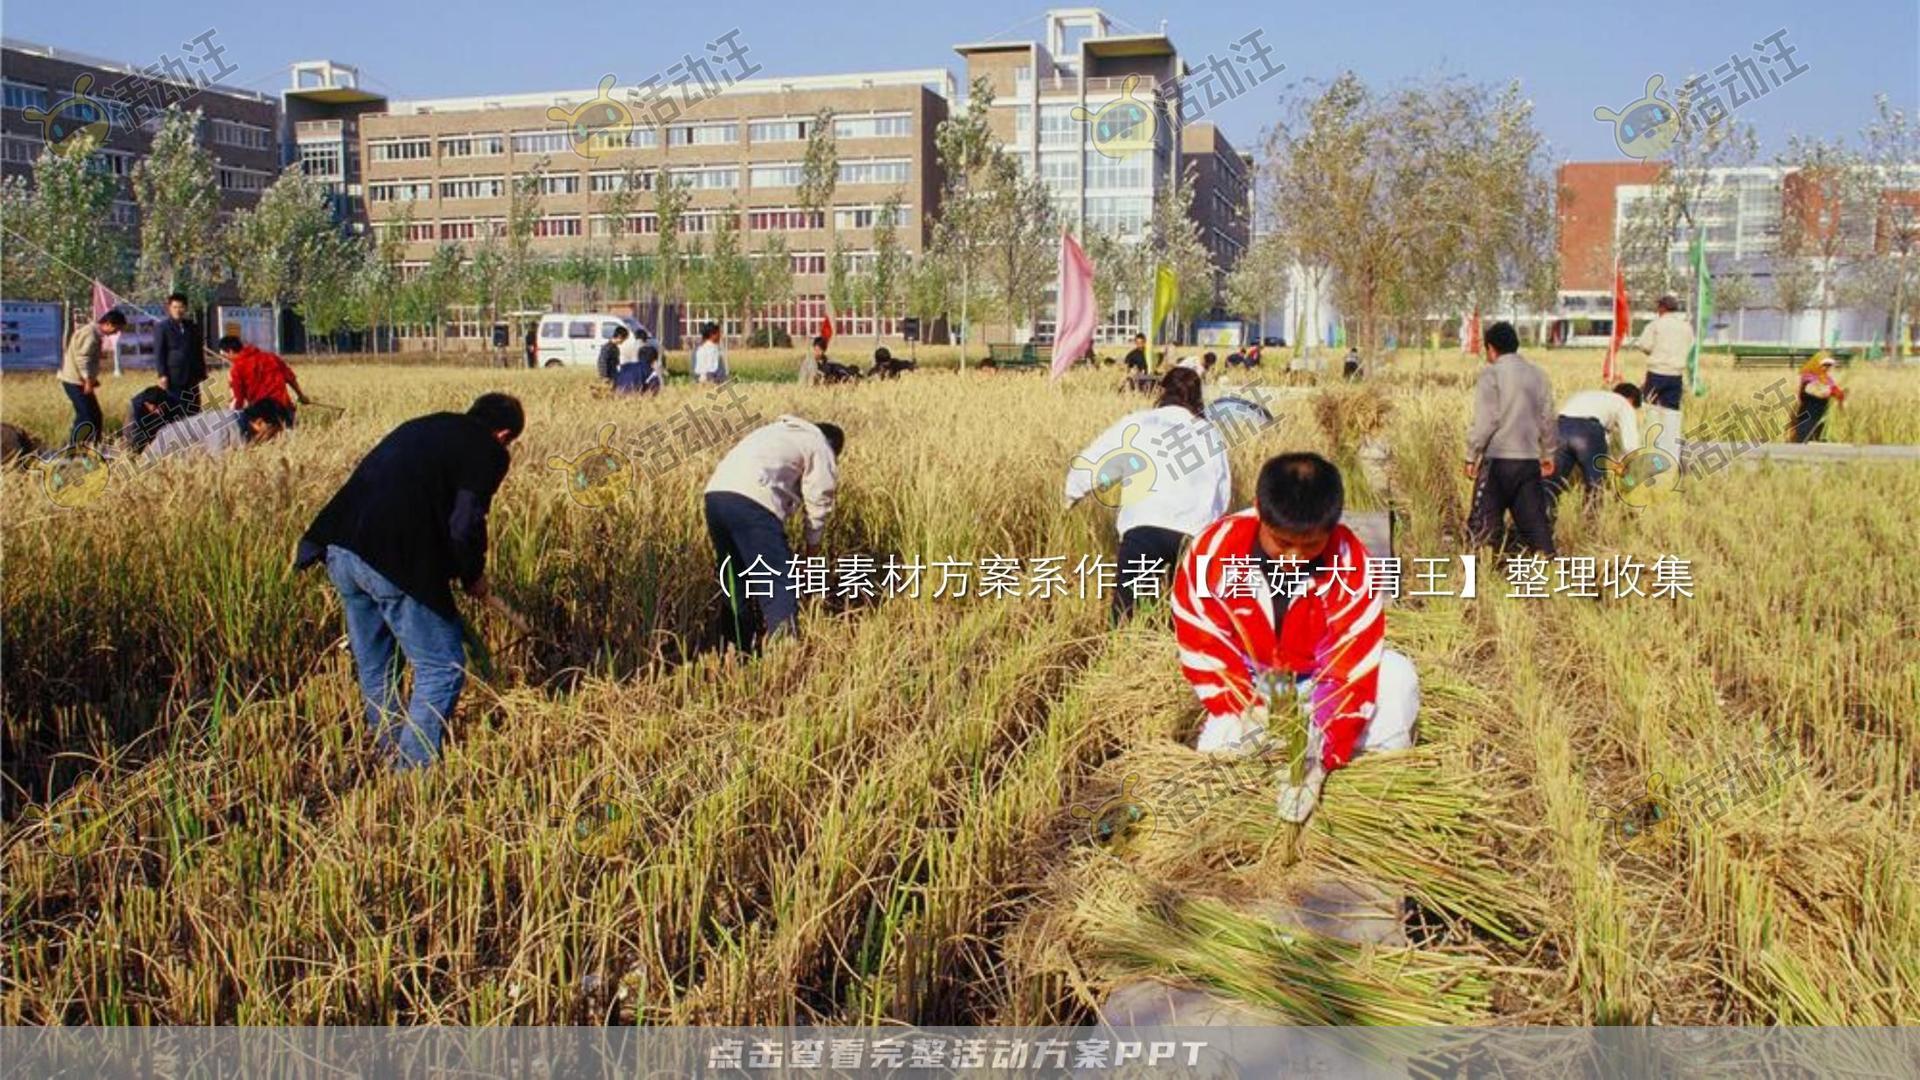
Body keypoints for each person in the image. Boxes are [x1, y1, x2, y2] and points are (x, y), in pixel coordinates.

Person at [1172, 452, 1420, 824]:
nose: (1293, 558)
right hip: (1256, 685)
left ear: (1332, 527)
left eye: (1309, 547)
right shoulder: (1214, 552)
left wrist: (1321, 755)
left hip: (1318, 683)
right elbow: (1203, 640)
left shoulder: (1351, 562)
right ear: (1259, 510)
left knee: (1397, 677)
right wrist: (1246, 708)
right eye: (1282, 542)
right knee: (1218, 755)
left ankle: (1374, 787)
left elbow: (1350, 662)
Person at [294, 393, 523, 769]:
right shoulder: (487, 449)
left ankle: (387, 750)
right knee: (443, 666)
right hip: (393, 558)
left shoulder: (423, 425)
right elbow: (466, 520)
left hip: (340, 549)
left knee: (377, 666)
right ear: (502, 434)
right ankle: (412, 771)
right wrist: (472, 574)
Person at [1066, 366, 1229, 620]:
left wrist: (1072, 493)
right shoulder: (1209, 434)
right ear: (1198, 397)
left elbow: (1098, 463)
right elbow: (1221, 490)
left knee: (1126, 614)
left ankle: (1121, 653)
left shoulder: (1138, 422)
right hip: (1193, 535)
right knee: (1188, 617)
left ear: (1161, 392)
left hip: (1143, 528)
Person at [703, 416, 842, 651]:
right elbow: (819, 501)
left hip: (715, 497)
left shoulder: (777, 432)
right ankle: (784, 652)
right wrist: (811, 556)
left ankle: (736, 649)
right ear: (834, 448)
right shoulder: (820, 444)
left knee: (735, 578)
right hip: (754, 501)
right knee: (778, 579)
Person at [1465, 321, 1557, 556]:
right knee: (1536, 526)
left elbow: (1487, 420)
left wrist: (1471, 455)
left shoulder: (1492, 374)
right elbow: (1548, 418)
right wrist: (1548, 453)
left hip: (1498, 461)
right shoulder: (1539, 375)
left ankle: (1475, 578)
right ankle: (1550, 572)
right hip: (1528, 461)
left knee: (1481, 527)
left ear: (1491, 348)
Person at [1631, 295, 1692, 482]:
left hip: (1657, 372)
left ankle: (1650, 451)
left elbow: (1644, 345)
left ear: (1662, 308)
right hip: (1676, 375)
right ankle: (1670, 458)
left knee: (1651, 412)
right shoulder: (1686, 327)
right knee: (1672, 415)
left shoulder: (1656, 325)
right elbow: (1691, 347)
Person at [1551, 382, 1642, 507]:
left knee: (1552, 483)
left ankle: (1540, 521)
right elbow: (1631, 447)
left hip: (1558, 427)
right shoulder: (1624, 404)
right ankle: (1592, 524)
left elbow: (1603, 444)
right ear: (1631, 400)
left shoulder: (1594, 397)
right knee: (1595, 486)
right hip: (1588, 430)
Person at [60, 310, 125, 446]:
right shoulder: (90, 334)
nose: (116, 333)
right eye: (116, 329)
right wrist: (88, 380)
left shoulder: (93, 332)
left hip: (80, 381)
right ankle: (72, 449)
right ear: (107, 324)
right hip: (75, 381)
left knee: (94, 415)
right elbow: (83, 359)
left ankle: (92, 447)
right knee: (86, 417)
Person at [145, 400, 287, 458]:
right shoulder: (226, 426)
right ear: (260, 422)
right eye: (273, 433)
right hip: (159, 458)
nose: (273, 439)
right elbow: (217, 465)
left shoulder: (239, 422)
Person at [222, 336, 309, 424]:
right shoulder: (271, 357)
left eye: (224, 355)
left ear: (230, 351)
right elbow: (291, 378)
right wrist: (301, 396)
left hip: (262, 415)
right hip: (284, 409)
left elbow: (238, 400)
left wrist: (231, 418)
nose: (225, 358)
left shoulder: (237, 369)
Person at [155, 292, 206, 416]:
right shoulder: (163, 327)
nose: (178, 310)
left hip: (192, 375)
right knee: (175, 407)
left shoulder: (192, 327)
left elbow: (198, 350)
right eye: (175, 307)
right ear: (169, 308)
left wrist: (202, 371)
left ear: (186, 308)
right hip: (173, 375)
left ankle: (193, 433)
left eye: (181, 307)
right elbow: (159, 352)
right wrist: (162, 374)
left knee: (193, 407)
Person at [1790, 354, 1846, 443]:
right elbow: (1814, 391)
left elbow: (1833, 389)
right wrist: (1831, 392)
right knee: (1805, 433)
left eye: (1829, 365)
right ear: (1816, 365)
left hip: (1821, 411)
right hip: (1809, 411)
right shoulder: (1808, 378)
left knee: (1819, 434)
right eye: (1824, 365)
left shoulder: (1828, 379)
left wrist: (1840, 393)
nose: (1827, 368)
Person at [126, 385, 175, 453]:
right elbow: (138, 429)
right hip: (139, 422)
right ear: (146, 404)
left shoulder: (171, 400)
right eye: (155, 408)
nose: (158, 411)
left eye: (161, 407)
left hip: (164, 417)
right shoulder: (136, 407)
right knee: (135, 437)